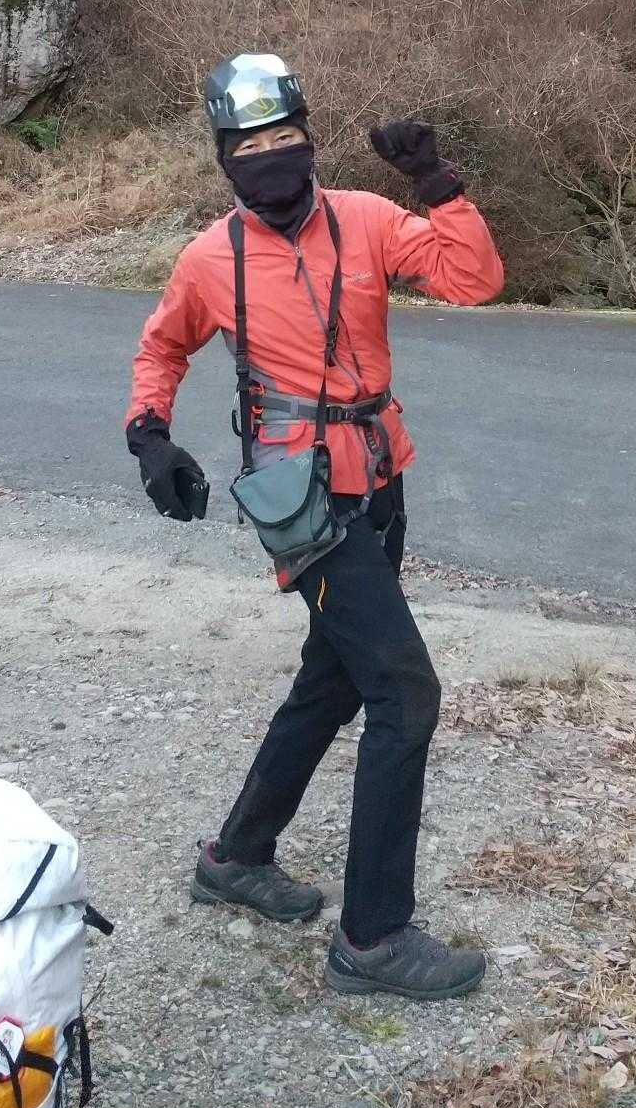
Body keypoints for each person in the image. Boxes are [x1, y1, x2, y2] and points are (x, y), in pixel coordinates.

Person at [125, 53, 504, 1000]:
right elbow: (162, 346)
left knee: (333, 678)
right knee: (404, 692)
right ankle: (373, 939)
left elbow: (473, 280)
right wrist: (150, 436)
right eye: (250, 146)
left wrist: (436, 184)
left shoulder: (366, 219)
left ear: (310, 139)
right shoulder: (210, 259)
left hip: (380, 476)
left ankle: (237, 857)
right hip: (300, 500)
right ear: (225, 158)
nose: (271, 157)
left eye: (285, 137)